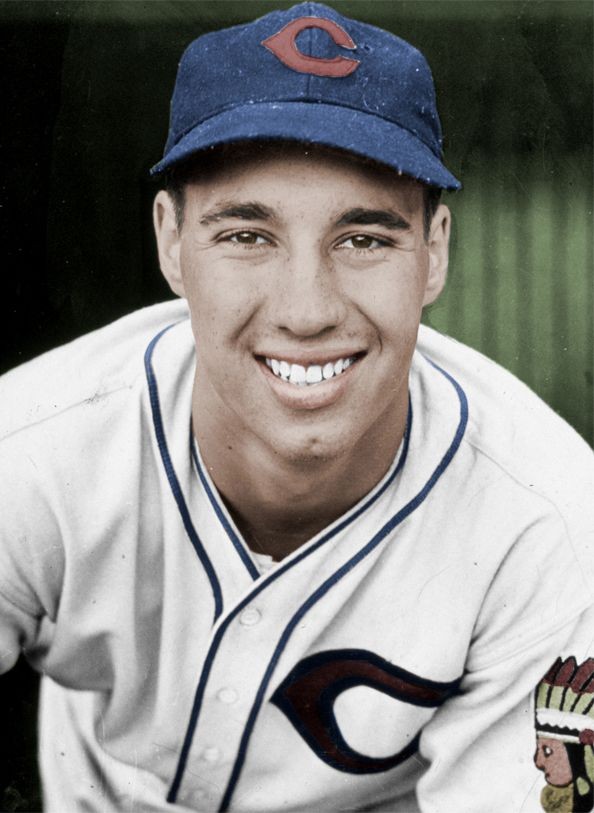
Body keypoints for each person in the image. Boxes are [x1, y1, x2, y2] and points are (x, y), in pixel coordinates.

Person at [1, 3, 593, 811]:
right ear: (171, 240)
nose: (307, 310)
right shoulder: (33, 450)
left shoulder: (549, 525)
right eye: (248, 235)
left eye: (364, 239)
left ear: (434, 252)